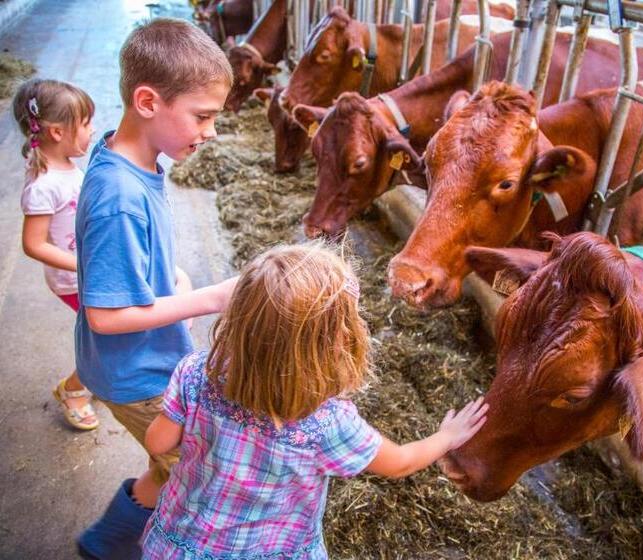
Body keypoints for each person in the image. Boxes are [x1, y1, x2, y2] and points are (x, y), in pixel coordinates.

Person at [140, 243, 489, 559]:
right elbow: (399, 463)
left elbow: (158, 442)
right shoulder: (327, 424)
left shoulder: (198, 371)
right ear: (334, 344)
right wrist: (446, 437)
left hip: (179, 542)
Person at [74, 18, 237, 560]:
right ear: (148, 101)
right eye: (203, 116)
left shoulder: (135, 161)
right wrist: (211, 297)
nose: (211, 131)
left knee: (170, 462)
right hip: (138, 376)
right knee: (195, 468)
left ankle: (109, 539)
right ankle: (134, 544)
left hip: (143, 360)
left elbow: (133, 267)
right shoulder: (120, 194)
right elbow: (106, 315)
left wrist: (172, 284)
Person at [13, 79, 99, 431]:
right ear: (56, 131)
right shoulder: (43, 185)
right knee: (106, 336)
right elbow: (33, 244)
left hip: (90, 270)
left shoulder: (67, 166)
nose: (92, 130)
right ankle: (74, 390)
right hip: (73, 278)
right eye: (85, 123)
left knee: (106, 334)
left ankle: (92, 378)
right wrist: (80, 265)